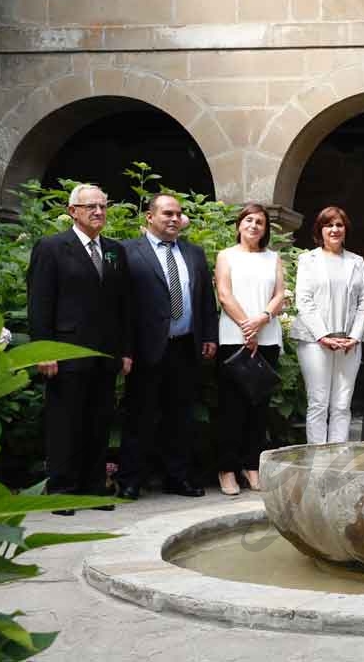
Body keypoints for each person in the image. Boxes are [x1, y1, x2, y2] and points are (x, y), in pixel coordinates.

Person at [26, 184, 133, 515]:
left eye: (102, 206)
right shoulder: (52, 247)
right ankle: (62, 491)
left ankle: (93, 488)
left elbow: (123, 306)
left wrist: (125, 350)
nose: (98, 212)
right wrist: (43, 350)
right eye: (90, 207)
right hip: (66, 350)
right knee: (65, 424)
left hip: (105, 354)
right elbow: (40, 303)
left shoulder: (115, 250)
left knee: (98, 423)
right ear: (72, 211)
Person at [118, 194, 217, 501]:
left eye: (178, 214)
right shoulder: (128, 252)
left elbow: (205, 300)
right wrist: (125, 349)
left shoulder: (194, 253)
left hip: (185, 346)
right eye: (167, 214)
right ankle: (131, 480)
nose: (174, 219)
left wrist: (209, 336)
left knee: (181, 417)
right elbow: (120, 305)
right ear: (150, 217)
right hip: (146, 348)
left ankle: (178, 478)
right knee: (140, 416)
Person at [214, 203, 286, 495]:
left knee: (259, 409)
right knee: (231, 408)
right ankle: (226, 469)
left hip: (267, 338)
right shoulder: (226, 256)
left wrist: (262, 319)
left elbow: (280, 294)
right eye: (249, 220)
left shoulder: (273, 258)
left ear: (265, 229)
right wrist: (248, 326)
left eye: (260, 222)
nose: (254, 225)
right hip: (234, 337)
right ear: (239, 225)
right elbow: (224, 293)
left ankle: (251, 467)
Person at [291, 206, 364, 444]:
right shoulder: (308, 260)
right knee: (318, 402)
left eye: (339, 225)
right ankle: (317, 460)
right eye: (329, 225)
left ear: (345, 230)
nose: (334, 229)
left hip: (349, 342)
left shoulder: (356, 262)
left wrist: (355, 336)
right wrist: (323, 336)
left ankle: (338, 458)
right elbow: (303, 301)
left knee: (342, 404)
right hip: (314, 341)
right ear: (320, 230)